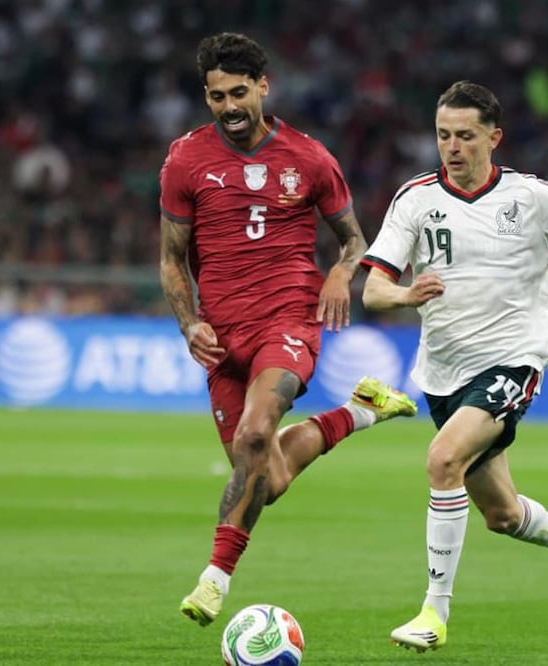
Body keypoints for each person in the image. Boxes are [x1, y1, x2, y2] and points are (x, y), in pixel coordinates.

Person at [361, 81, 548, 651]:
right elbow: (374, 291)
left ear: (494, 137)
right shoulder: (414, 199)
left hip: (515, 357)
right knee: (503, 516)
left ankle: (434, 615)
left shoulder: (531, 196)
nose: (452, 147)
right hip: (442, 371)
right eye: (443, 135)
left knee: (442, 460)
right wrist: (407, 295)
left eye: (464, 135)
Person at [158, 32, 417, 627]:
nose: (228, 107)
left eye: (239, 93)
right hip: (222, 337)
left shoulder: (309, 158)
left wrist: (340, 274)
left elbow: (355, 239)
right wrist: (188, 321)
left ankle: (214, 580)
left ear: (264, 88)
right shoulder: (185, 160)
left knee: (254, 436)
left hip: (288, 318)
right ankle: (358, 412)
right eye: (217, 96)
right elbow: (172, 257)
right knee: (265, 478)